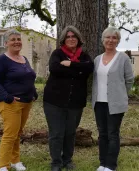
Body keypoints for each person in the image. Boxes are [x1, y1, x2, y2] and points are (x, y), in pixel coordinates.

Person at [43, 25, 94, 171]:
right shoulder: (57, 54)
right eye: (68, 37)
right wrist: (78, 70)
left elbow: (89, 68)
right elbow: (54, 69)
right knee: (56, 133)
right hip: (54, 102)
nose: (71, 39)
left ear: (78, 39)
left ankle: (68, 160)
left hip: (76, 102)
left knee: (70, 133)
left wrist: (71, 64)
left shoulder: (84, 56)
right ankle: (56, 163)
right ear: (63, 40)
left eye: (74, 36)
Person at [0, 29, 38, 171]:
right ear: (6, 43)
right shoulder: (2, 60)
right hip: (10, 103)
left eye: (18, 39)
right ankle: (3, 166)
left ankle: (15, 161)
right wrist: (7, 97)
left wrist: (33, 93)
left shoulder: (25, 59)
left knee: (18, 133)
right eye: (13, 40)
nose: (17, 42)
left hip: (26, 102)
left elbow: (28, 78)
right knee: (10, 134)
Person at [92, 27, 134, 171]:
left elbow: (129, 80)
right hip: (99, 103)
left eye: (114, 38)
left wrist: (121, 94)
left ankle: (110, 165)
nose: (110, 40)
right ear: (103, 40)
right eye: (108, 37)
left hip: (115, 104)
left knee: (113, 134)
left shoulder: (123, 58)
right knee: (102, 134)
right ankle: (102, 163)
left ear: (118, 41)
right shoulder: (97, 59)